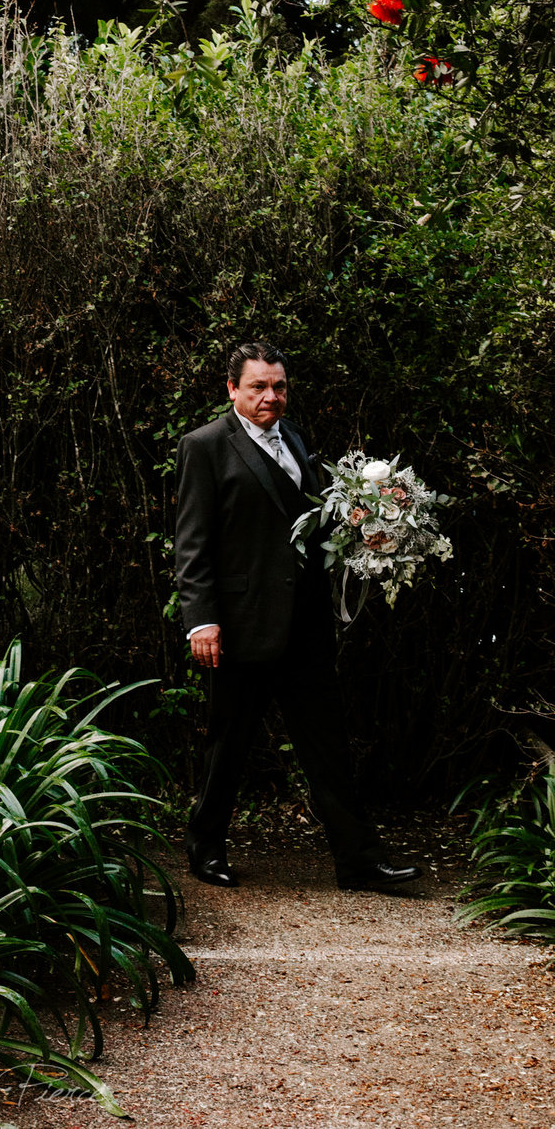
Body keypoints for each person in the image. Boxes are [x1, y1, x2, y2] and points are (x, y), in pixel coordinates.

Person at [175, 340, 421, 892]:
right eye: (258, 386)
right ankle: (204, 847)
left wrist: (369, 527)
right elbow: (191, 544)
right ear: (232, 389)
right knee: (228, 745)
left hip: (305, 626)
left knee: (328, 746)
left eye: (278, 385)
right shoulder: (206, 446)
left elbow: (309, 527)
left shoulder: (298, 443)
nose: (270, 396)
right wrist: (201, 620)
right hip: (239, 626)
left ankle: (359, 861)